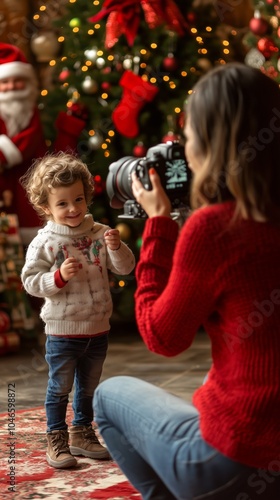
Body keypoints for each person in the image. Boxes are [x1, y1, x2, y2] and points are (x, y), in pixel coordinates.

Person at [93, 63, 280, 500]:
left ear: (211, 144)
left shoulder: (215, 229)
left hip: (233, 464)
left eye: (189, 136)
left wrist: (158, 223)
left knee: (107, 396)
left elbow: (164, 336)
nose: (184, 147)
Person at [20, 152, 135, 469]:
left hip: (98, 328)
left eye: (78, 199)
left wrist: (116, 247)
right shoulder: (46, 241)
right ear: (46, 207)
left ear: (86, 196)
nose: (73, 209)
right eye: (62, 204)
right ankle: (56, 435)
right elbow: (30, 281)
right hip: (63, 331)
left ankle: (82, 432)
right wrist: (57, 277)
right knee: (60, 388)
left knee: (88, 388)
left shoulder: (99, 233)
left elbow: (125, 268)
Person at [0, 43, 86, 245]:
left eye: (18, 82)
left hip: (30, 198)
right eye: (5, 82)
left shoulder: (36, 116)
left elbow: (48, 154)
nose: (12, 88)